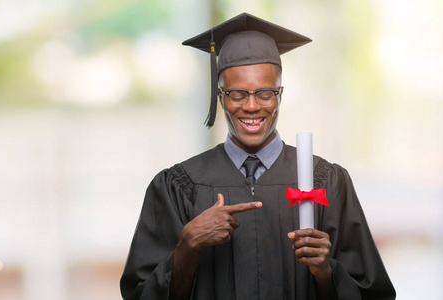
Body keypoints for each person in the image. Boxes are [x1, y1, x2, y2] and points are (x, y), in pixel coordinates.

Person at [120, 12, 396, 300]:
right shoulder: (178, 186)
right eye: (237, 94)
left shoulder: (326, 181)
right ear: (220, 95)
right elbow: (140, 295)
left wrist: (326, 272)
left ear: (280, 95)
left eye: (265, 93)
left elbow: (372, 294)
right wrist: (187, 245)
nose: (252, 107)